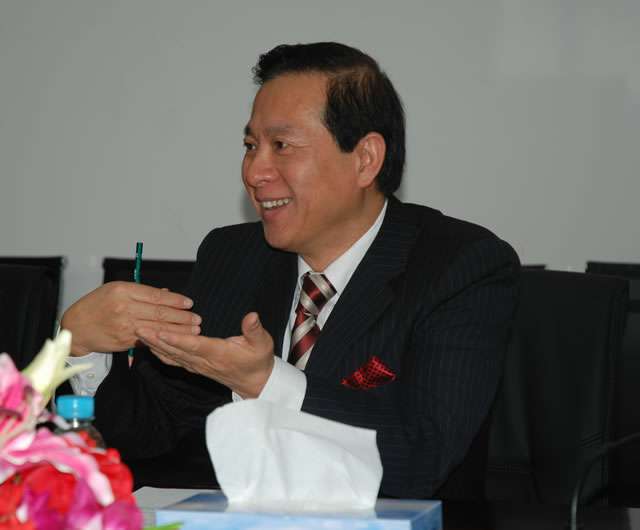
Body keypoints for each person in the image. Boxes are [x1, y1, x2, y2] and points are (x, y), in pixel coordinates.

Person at [63, 42, 520, 498]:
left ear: (365, 159)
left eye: (281, 145)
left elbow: (423, 457)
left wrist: (264, 382)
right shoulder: (232, 255)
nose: (254, 171)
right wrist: (83, 347)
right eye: (251, 146)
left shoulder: (459, 266)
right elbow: (153, 432)